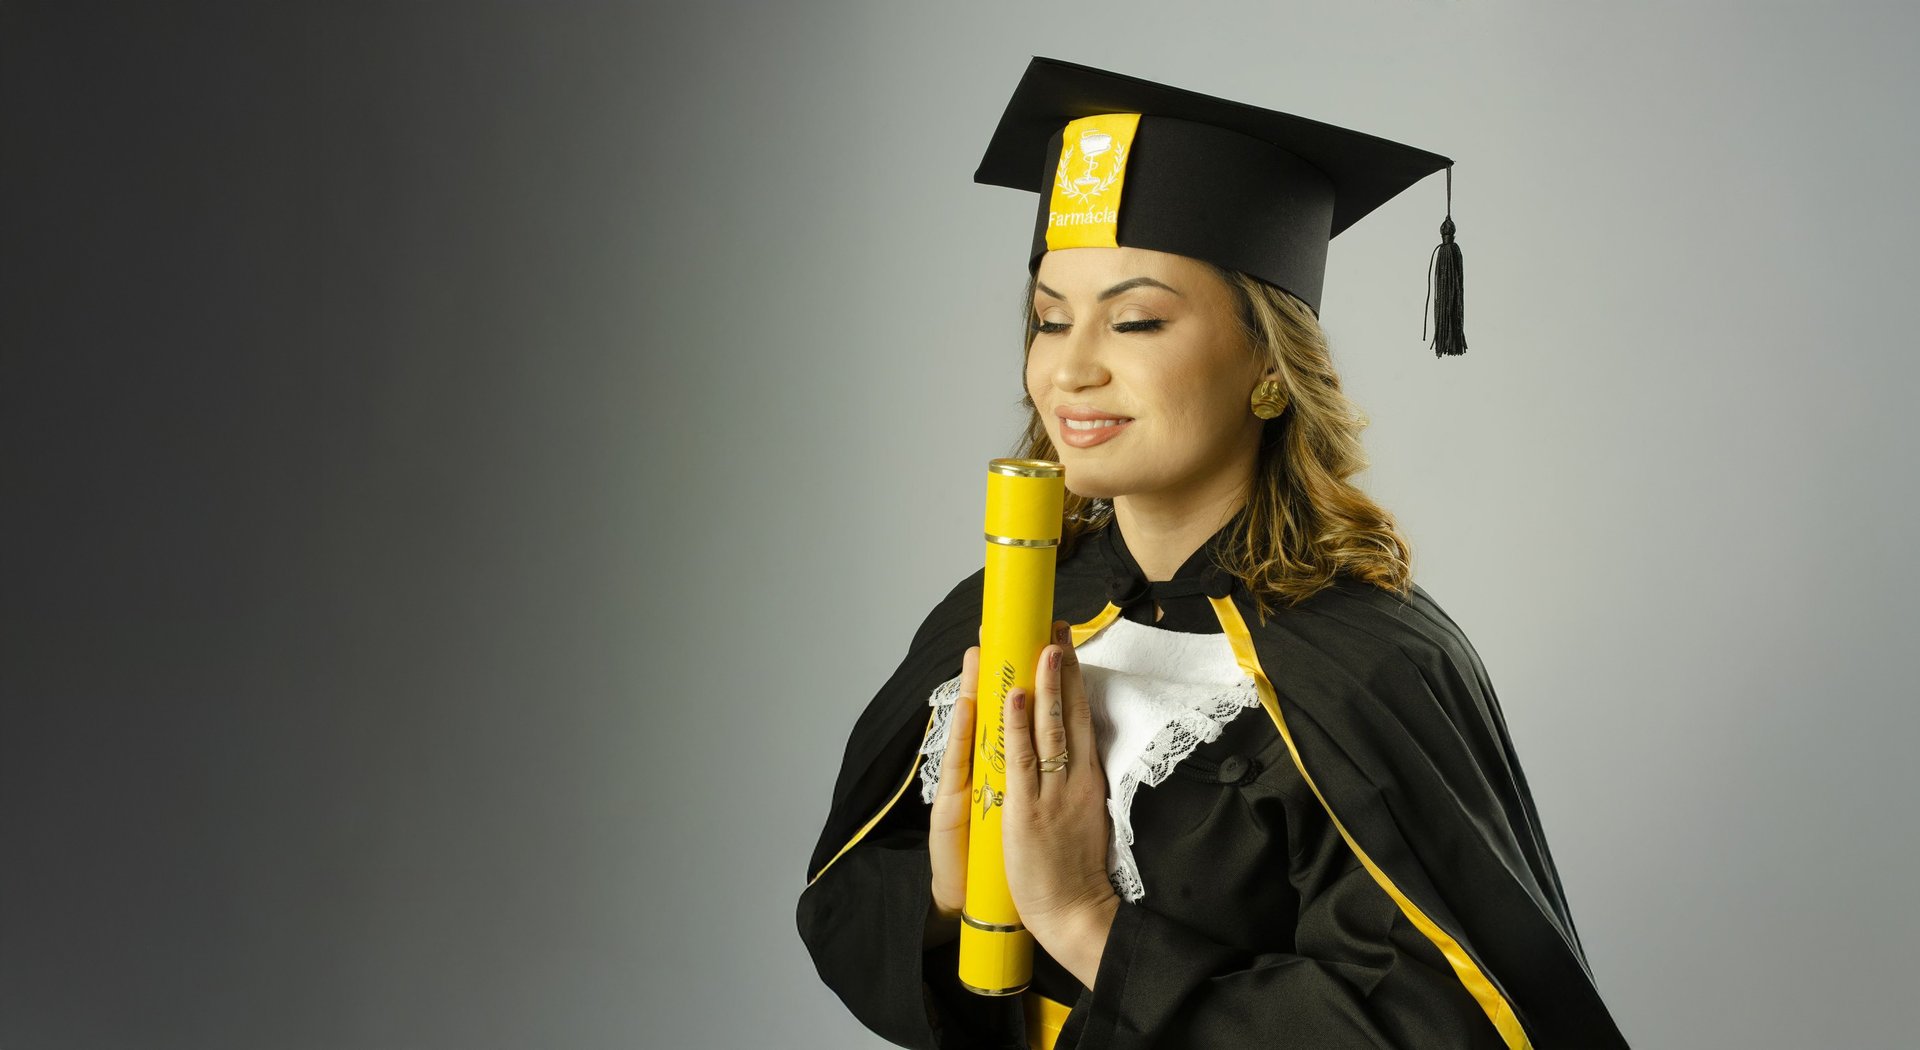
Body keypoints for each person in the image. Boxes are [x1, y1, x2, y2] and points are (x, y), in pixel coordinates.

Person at [796, 56, 1632, 1049]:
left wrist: (1083, 918)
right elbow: (848, 897)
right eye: (1048, 318)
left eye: (1137, 319)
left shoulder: (1373, 665)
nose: (1068, 368)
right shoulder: (1002, 604)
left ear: (1269, 365)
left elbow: (1439, 1029)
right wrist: (944, 895)